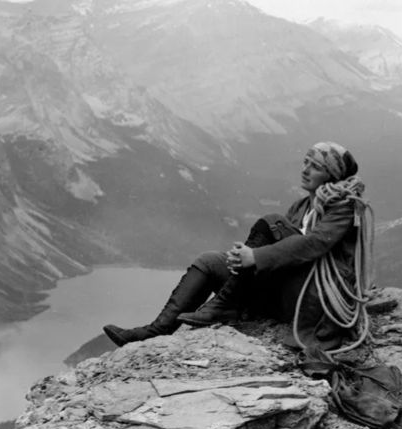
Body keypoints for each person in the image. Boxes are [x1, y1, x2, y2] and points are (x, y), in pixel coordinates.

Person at [102, 141, 373, 351]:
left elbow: (313, 244)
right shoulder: (302, 205)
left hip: (313, 301)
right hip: (284, 292)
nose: (304, 169)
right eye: (305, 162)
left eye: (314, 166)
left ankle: (226, 303)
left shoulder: (345, 207)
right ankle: (157, 330)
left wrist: (254, 257)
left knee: (272, 221)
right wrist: (243, 261)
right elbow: (286, 250)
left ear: (331, 174)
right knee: (209, 261)